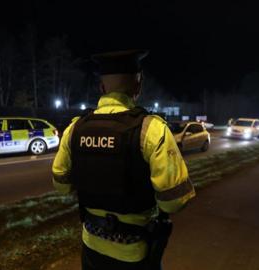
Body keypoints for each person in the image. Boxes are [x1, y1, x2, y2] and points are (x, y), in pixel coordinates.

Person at [52, 49, 195, 270]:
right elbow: (174, 200)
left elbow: (61, 185)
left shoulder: (75, 129)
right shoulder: (151, 129)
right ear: (138, 87)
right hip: (134, 252)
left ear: (101, 88)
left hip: (91, 247)